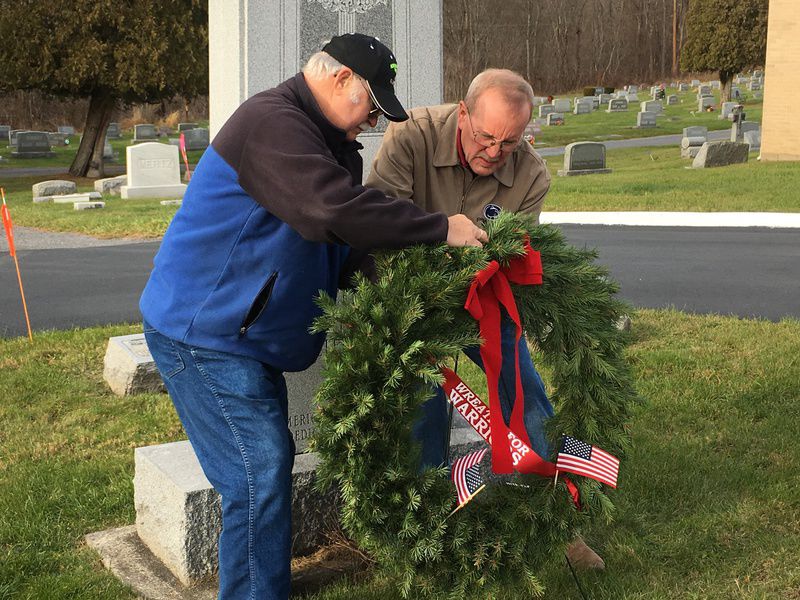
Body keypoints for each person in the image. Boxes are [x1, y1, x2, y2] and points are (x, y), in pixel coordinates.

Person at [139, 33, 487, 600]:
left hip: (247, 337)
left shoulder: (331, 146)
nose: (372, 120)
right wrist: (439, 226)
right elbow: (327, 210)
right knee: (258, 474)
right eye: (369, 104)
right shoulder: (271, 124)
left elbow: (345, 248)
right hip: (203, 332)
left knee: (263, 470)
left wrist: (412, 294)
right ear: (336, 77)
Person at [365, 68, 605, 570]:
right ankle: (430, 526)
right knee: (424, 404)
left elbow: (514, 256)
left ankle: (561, 521)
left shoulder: (532, 175)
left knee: (527, 389)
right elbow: (379, 227)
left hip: (481, 298)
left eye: (509, 142)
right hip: (410, 296)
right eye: (485, 137)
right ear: (463, 110)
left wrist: (479, 271)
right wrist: (439, 246)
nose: (495, 152)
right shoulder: (410, 136)